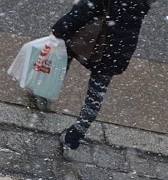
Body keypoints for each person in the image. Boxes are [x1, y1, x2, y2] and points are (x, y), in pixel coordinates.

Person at [51, 0, 155, 150]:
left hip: (95, 39)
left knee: (63, 54)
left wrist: (59, 30)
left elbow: (84, 10)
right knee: (96, 93)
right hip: (117, 50)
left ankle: (46, 90)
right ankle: (76, 134)